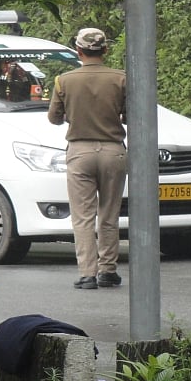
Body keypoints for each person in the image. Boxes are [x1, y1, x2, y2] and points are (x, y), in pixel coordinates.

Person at [48, 28, 127, 290]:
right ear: (105, 50)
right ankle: (108, 270)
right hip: (113, 152)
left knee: (82, 216)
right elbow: (129, 115)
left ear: (78, 51)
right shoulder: (121, 79)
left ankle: (87, 274)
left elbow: (54, 118)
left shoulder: (64, 80)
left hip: (80, 152)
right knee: (109, 214)